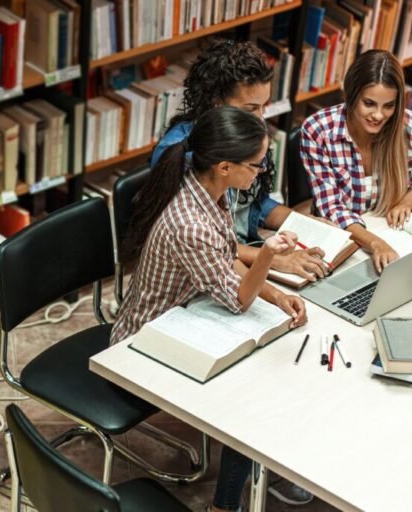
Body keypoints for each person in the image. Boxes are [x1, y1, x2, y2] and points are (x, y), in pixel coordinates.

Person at [110, 106, 309, 512]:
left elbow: (225, 262)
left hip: (189, 313)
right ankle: (224, 505)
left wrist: (274, 295)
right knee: (248, 402)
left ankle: (260, 473)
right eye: (255, 165)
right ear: (223, 166)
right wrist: (268, 255)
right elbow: (237, 299)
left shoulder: (213, 193)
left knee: (270, 361)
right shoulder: (190, 224)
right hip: (144, 343)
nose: (261, 173)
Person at [151, 38, 330, 284]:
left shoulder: (248, 135)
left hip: (245, 252)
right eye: (250, 109)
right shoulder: (182, 155)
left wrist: (304, 222)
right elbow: (197, 241)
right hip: (200, 272)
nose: (260, 119)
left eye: (263, 106)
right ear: (216, 103)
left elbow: (255, 203)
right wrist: (273, 259)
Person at [300, 49, 412, 273]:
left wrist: (406, 202)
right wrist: (375, 243)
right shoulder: (318, 130)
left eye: (389, 106)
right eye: (369, 103)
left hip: (392, 233)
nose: (378, 115)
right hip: (344, 240)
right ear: (351, 94)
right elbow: (331, 207)